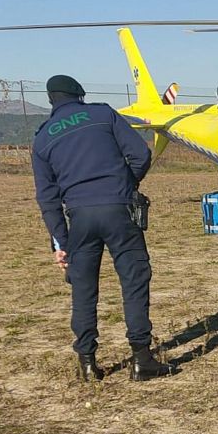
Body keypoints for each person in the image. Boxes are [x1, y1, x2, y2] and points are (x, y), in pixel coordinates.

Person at [31, 75, 176, 382]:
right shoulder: (103, 113)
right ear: (80, 95)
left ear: (51, 101)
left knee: (83, 290)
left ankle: (86, 363)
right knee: (134, 280)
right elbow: (141, 154)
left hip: (79, 218)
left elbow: (47, 198)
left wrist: (61, 242)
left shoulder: (42, 139)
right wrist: (125, 186)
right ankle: (142, 359)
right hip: (120, 210)